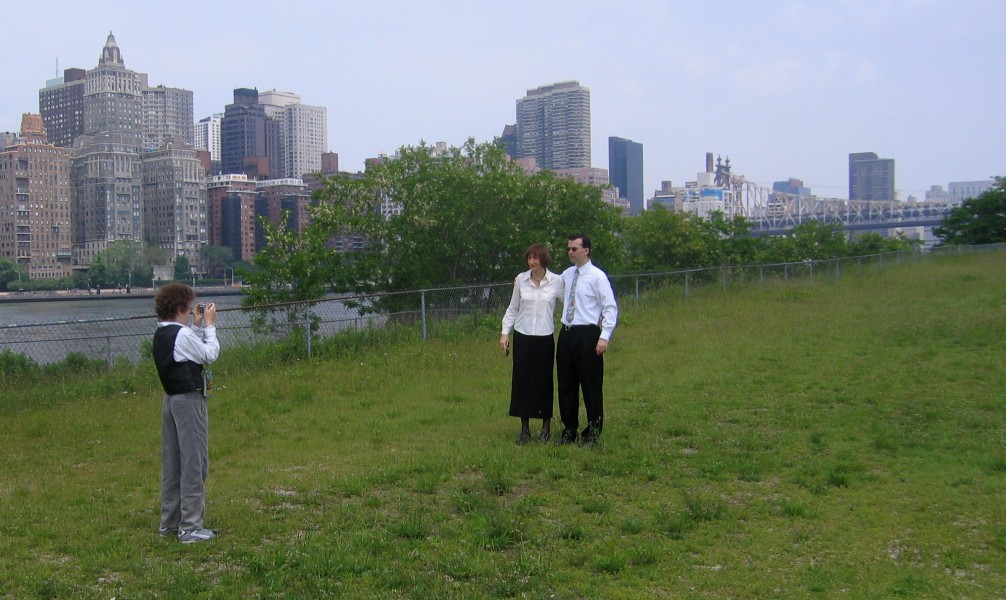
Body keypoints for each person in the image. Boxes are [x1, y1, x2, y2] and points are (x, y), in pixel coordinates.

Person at [153, 283, 221, 543]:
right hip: (189, 401)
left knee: (173, 464)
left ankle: (169, 523)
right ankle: (190, 527)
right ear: (182, 307)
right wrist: (210, 326)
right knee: (194, 464)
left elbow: (184, 350)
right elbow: (209, 354)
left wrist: (195, 327)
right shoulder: (182, 336)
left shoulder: (163, 334)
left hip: (171, 400)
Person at [556, 233, 618, 447]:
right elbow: (548, 283)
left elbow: (610, 307)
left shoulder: (597, 276)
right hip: (567, 333)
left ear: (586, 250)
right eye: (569, 249)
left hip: (587, 334)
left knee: (590, 385)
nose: (570, 252)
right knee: (566, 385)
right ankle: (569, 429)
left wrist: (604, 337)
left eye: (574, 249)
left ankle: (593, 430)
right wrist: (524, 277)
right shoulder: (567, 274)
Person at [500, 243, 564, 445]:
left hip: (544, 337)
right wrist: (504, 333)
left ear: (543, 259)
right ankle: (524, 429)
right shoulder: (521, 280)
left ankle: (545, 428)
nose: (532, 262)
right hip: (523, 336)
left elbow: (570, 305)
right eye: (529, 258)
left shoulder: (556, 281)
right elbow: (513, 308)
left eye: (536, 258)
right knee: (522, 382)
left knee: (544, 381)